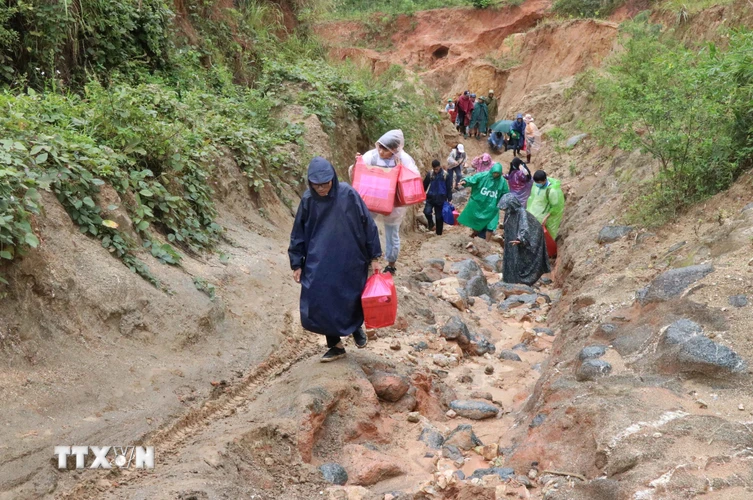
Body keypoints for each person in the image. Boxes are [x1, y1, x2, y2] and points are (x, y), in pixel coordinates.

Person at [289, 157, 382, 362]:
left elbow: (368, 225)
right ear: (310, 183)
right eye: (317, 184)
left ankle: (355, 326)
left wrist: (374, 255)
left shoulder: (348, 194)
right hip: (319, 258)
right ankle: (335, 344)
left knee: (350, 294)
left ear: (333, 177)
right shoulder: (308, 200)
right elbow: (298, 233)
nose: (322, 188)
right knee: (320, 299)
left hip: (351, 255)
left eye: (326, 183)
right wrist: (296, 262)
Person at [358, 129, 419, 276]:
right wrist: (357, 163)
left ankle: (391, 264)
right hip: (373, 199)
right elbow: (358, 172)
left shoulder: (404, 159)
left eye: (385, 150)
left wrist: (401, 170)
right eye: (380, 147)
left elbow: (413, 178)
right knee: (364, 227)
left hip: (394, 203)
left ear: (394, 149)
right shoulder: (371, 156)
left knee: (392, 233)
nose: (381, 152)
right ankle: (367, 257)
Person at [498, 193, 551, 286]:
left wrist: (521, 238)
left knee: (519, 261)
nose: (505, 210)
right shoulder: (510, 212)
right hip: (511, 240)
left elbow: (524, 227)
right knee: (511, 259)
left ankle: (520, 282)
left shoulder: (521, 212)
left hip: (521, 240)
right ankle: (509, 280)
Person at [457, 162, 509, 241]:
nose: (495, 175)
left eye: (497, 173)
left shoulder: (502, 182)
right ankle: (475, 233)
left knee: (491, 225)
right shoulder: (483, 176)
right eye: (494, 173)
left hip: (492, 207)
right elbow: (472, 179)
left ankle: (486, 242)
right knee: (476, 221)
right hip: (479, 203)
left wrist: (505, 203)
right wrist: (465, 181)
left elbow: (505, 194)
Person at [527, 170, 565, 239]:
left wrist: (546, 218)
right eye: (536, 182)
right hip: (535, 214)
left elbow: (555, 208)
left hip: (543, 216)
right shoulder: (536, 185)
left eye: (539, 182)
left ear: (544, 180)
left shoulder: (551, 191)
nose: (537, 184)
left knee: (546, 236)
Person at [423, 159, 453, 236]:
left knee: (439, 217)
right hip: (430, 197)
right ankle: (431, 223)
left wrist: (449, 199)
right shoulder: (430, 174)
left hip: (441, 199)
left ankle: (439, 234)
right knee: (426, 212)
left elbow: (449, 188)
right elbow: (424, 185)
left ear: (439, 167)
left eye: (437, 169)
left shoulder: (445, 175)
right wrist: (422, 194)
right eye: (434, 169)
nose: (435, 171)